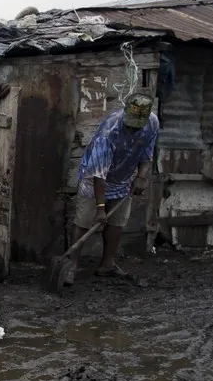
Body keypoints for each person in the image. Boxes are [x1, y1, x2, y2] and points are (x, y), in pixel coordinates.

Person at [68, 93, 159, 283]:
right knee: (84, 221)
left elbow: (147, 153)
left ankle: (107, 264)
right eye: (130, 124)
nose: (133, 129)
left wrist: (141, 177)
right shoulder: (108, 132)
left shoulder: (152, 123)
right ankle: (71, 265)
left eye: (137, 125)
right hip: (94, 178)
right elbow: (99, 176)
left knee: (117, 222)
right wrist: (100, 208)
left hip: (123, 178)